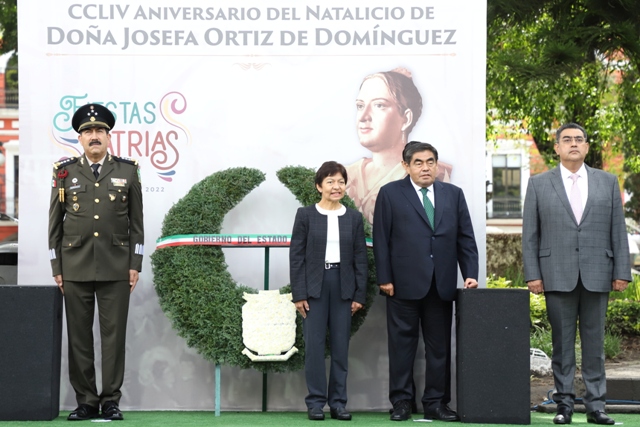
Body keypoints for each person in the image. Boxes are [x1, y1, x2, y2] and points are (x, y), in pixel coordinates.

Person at [522, 123, 630, 426]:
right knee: (562, 345)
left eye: (579, 139)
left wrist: (621, 271)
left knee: (595, 346)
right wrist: (533, 274)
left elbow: (617, 230)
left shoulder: (607, 181)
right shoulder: (539, 184)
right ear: (557, 147)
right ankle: (564, 405)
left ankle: (597, 407)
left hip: (598, 272)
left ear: (586, 147)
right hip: (556, 274)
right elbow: (530, 234)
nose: (573, 144)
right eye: (567, 139)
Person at [48, 104, 144, 421]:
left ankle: (111, 400)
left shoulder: (128, 171)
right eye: (88, 131)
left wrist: (135, 263)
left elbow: (137, 223)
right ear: (80, 138)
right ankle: (87, 401)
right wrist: (57, 268)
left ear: (108, 136)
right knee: (79, 339)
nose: (94, 136)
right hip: (74, 267)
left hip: (116, 267)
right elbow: (55, 225)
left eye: (99, 131)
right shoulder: (64, 172)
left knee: (113, 340)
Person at [373, 141, 478, 422]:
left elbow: (465, 238)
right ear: (406, 166)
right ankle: (401, 402)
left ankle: (436, 403)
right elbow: (381, 239)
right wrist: (384, 277)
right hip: (401, 285)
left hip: (441, 285)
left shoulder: (453, 194)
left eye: (430, 161)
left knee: (439, 348)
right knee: (401, 347)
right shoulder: (390, 193)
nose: (425, 167)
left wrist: (470, 273)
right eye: (418, 162)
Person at [289, 161, 368, 421]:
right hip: (314, 287)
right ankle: (315, 403)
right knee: (314, 347)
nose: (336, 187)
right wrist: (299, 294)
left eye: (341, 182)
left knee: (340, 348)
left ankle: (338, 403)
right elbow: (296, 257)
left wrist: (359, 294)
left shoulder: (353, 218)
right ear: (319, 186)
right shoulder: (305, 215)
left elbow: (360, 258)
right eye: (330, 181)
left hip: (343, 286)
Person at [346, 68, 452, 224]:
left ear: (406, 119)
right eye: (360, 106)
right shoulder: (345, 176)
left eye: (379, 105)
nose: (363, 116)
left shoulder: (437, 175)